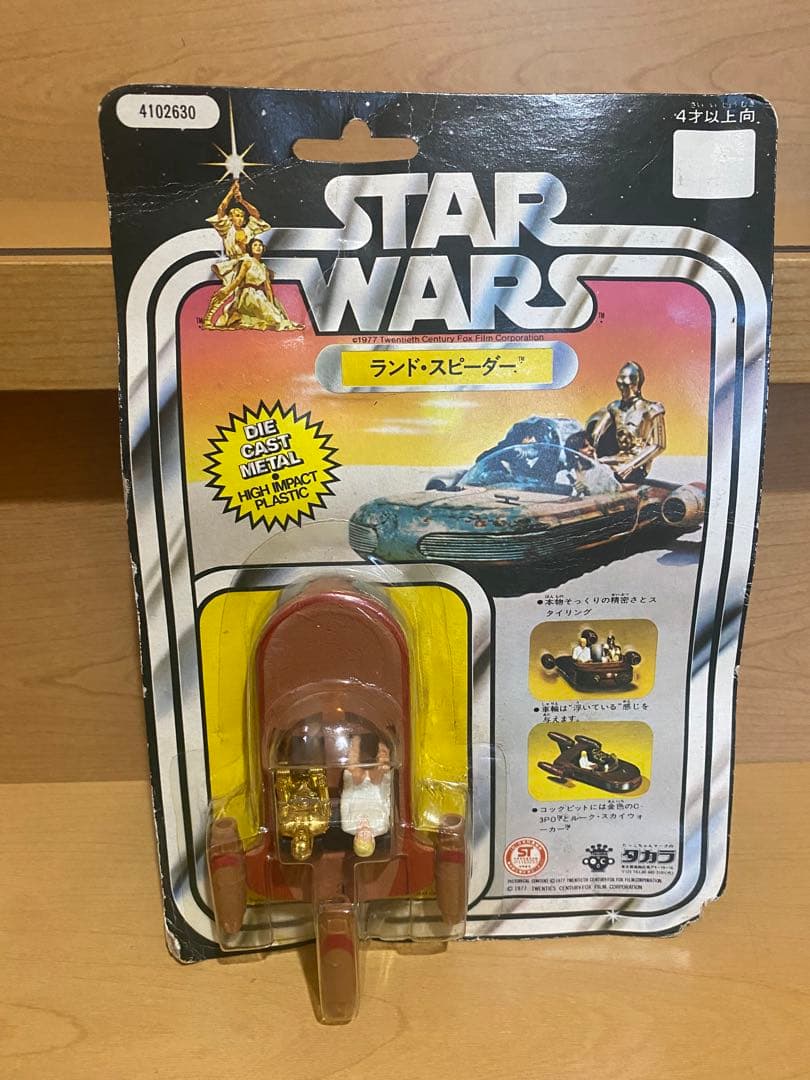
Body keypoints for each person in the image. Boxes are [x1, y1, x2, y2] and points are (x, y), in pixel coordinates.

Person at [203, 180, 272, 328]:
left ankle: (235, 318)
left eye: (241, 216)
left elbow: (256, 214)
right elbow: (221, 210)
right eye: (236, 216)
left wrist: (242, 201)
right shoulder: (227, 229)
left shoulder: (247, 230)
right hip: (234, 264)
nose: (240, 218)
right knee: (227, 291)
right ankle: (208, 318)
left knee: (245, 293)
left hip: (247, 263)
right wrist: (230, 193)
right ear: (231, 218)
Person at [590, 362, 666, 482]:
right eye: (620, 383)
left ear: (636, 384)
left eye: (627, 384)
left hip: (638, 464)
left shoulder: (652, 409)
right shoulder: (614, 407)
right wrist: (591, 458)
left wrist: (630, 466)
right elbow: (595, 434)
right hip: (615, 460)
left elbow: (659, 445)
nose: (623, 387)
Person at [213, 238, 303, 331]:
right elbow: (238, 279)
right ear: (250, 248)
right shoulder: (247, 262)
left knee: (275, 313)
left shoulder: (263, 267)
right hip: (248, 295)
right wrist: (227, 290)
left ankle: (244, 319)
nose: (258, 247)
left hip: (260, 295)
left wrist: (272, 304)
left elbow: (268, 288)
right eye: (255, 245)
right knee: (273, 319)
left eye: (260, 245)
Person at [340, 737, 392, 858]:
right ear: (372, 839)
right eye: (366, 838)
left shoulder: (348, 826)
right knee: (382, 767)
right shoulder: (382, 827)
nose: (363, 834)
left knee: (354, 769)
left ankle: (356, 738)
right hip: (376, 788)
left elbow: (345, 801)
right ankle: (383, 738)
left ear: (355, 839)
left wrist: (351, 780)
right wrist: (384, 779)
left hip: (355, 789)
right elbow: (386, 801)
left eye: (360, 838)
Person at [563, 431, 621, 496]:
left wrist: (588, 490)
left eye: (591, 445)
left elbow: (613, 492)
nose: (591, 448)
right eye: (585, 446)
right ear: (575, 453)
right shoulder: (564, 476)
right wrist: (573, 491)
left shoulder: (603, 470)